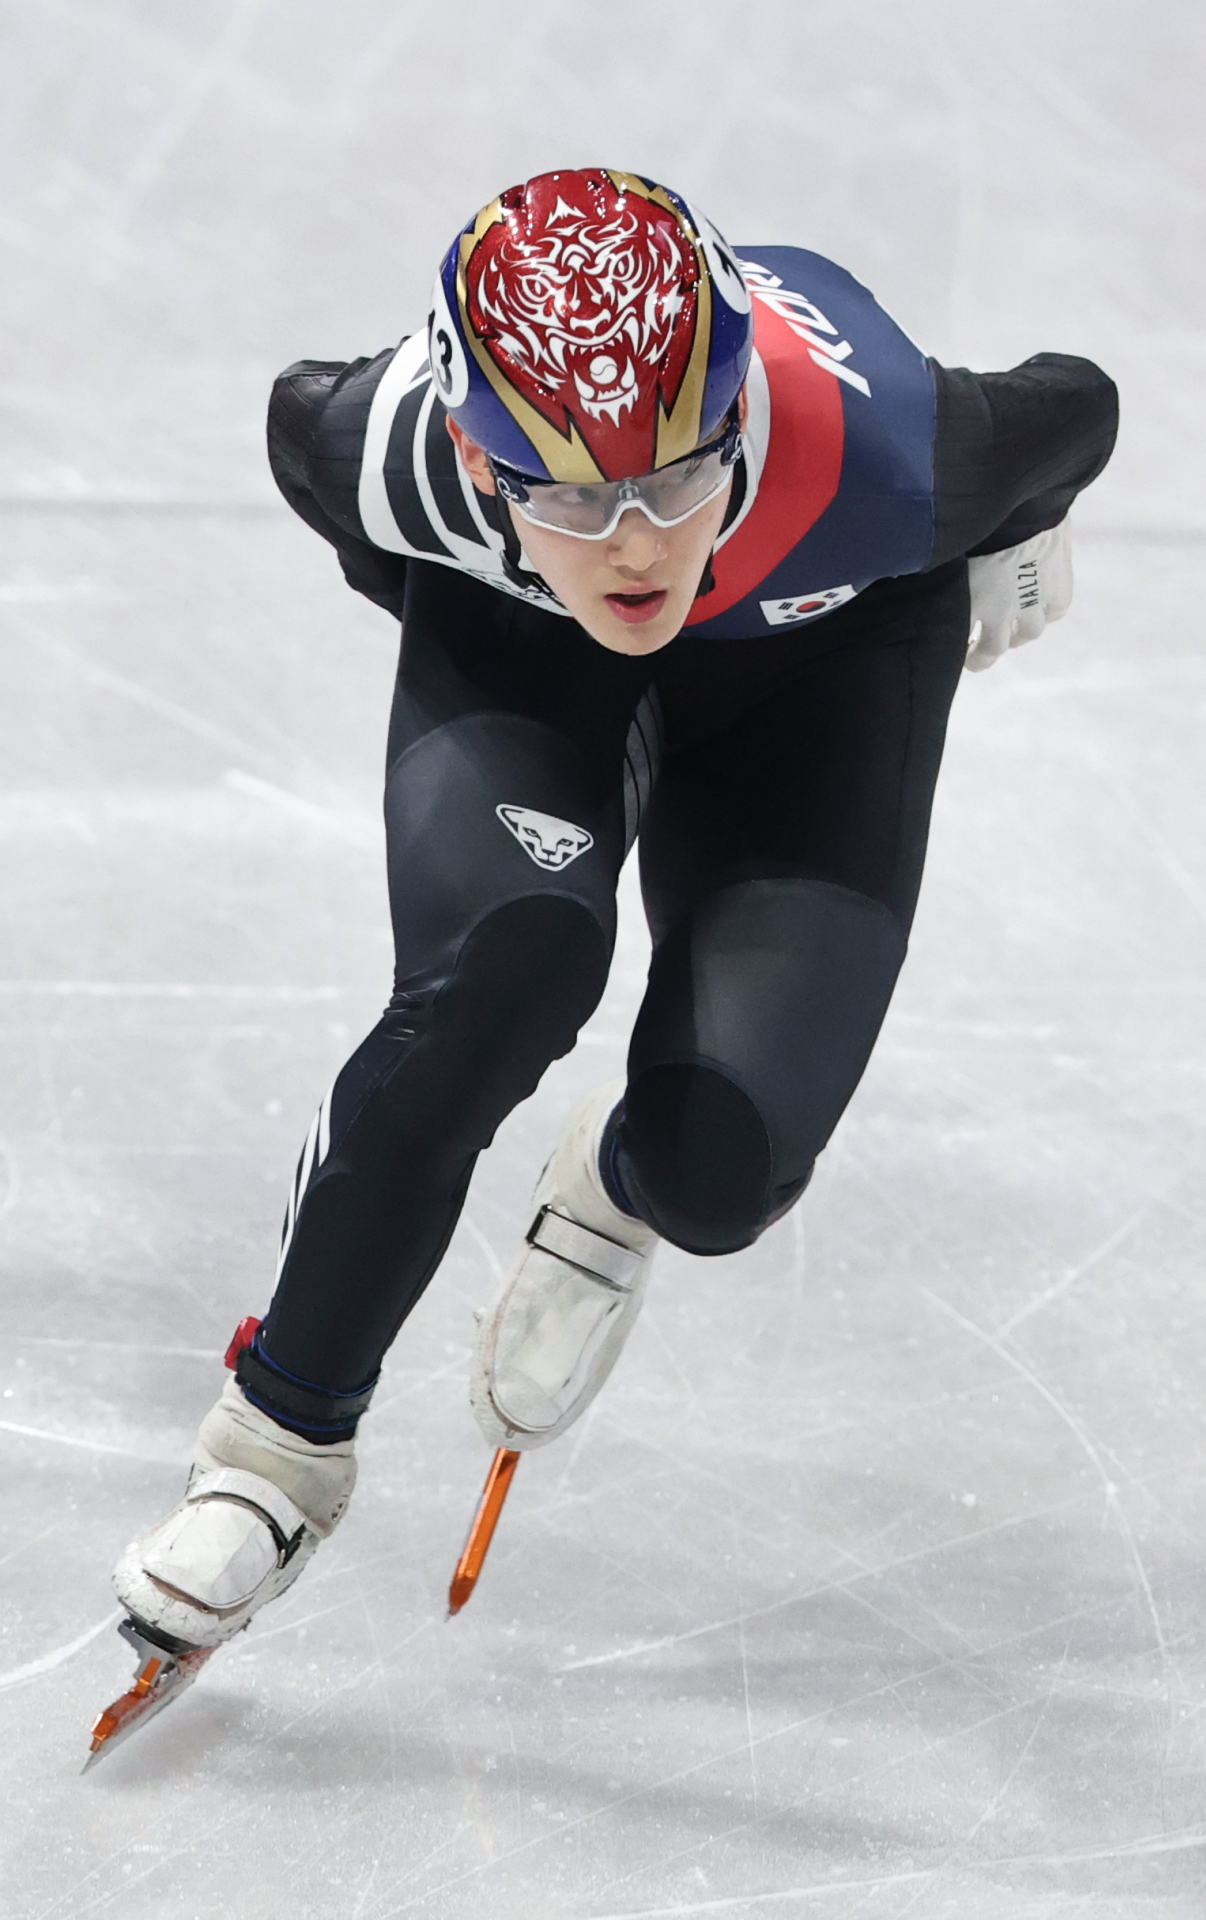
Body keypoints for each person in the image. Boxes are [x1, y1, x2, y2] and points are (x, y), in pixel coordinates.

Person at [110, 167, 1117, 1657]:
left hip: (819, 660)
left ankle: (622, 1182)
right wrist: (477, 598)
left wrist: (1017, 535)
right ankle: (275, 1450)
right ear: (476, 452)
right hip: (529, 637)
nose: (637, 543)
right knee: (504, 973)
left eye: (678, 478)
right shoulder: (382, 446)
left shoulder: (897, 455)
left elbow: (1077, 407)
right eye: (578, 495)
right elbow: (294, 429)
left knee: (724, 1174)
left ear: (738, 414)